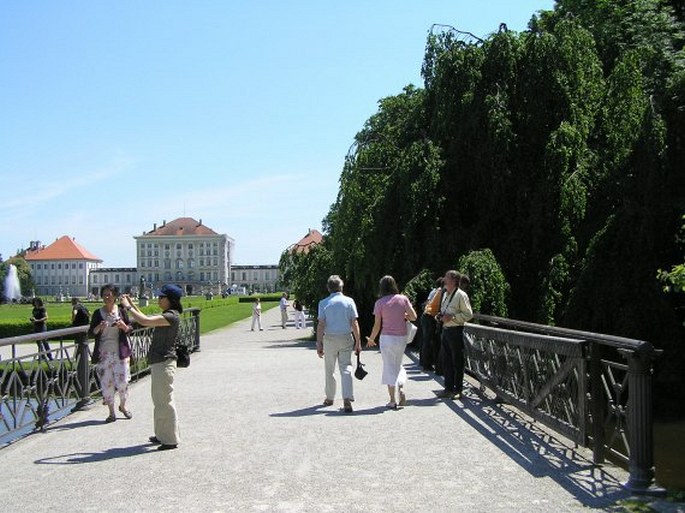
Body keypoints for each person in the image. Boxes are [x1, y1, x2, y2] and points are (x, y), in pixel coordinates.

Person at [121, 284, 183, 451]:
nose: (158, 299)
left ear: (170, 300)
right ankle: (162, 434)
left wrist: (127, 307)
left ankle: (170, 439)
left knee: (165, 401)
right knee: (159, 400)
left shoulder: (171, 316)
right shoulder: (168, 315)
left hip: (164, 363)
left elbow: (144, 321)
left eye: (161, 297)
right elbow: (143, 318)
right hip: (160, 362)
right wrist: (132, 304)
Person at [366, 275, 418, 409]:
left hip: (386, 338)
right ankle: (401, 388)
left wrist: (372, 339)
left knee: (389, 366)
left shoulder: (380, 303)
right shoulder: (403, 299)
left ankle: (392, 400)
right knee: (398, 363)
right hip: (401, 337)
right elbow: (413, 316)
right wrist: (405, 316)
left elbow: (377, 325)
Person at [316, 275, 361, 413]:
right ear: (341, 287)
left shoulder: (323, 303)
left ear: (328, 288)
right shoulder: (349, 301)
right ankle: (347, 398)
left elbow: (321, 324)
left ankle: (330, 397)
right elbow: (354, 323)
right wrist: (358, 342)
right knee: (346, 367)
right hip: (346, 337)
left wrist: (319, 343)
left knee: (329, 369)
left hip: (330, 338)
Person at [88, 284, 133, 422]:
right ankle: (111, 412)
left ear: (115, 296)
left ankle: (123, 406)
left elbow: (130, 329)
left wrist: (123, 326)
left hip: (120, 352)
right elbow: (91, 333)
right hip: (104, 354)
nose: (107, 297)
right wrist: (99, 327)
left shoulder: (121, 311)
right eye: (105, 294)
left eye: (109, 294)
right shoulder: (97, 313)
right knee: (106, 383)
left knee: (123, 381)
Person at [436, 271, 473, 400]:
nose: (444, 280)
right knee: (446, 361)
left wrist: (452, 318)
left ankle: (458, 389)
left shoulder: (461, 295)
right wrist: (441, 316)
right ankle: (448, 388)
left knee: (457, 361)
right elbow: (445, 312)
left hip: (456, 331)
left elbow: (468, 314)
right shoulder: (446, 294)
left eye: (446, 278)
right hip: (446, 331)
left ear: (454, 280)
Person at [419, 278, 443, 372]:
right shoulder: (441, 291)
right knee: (429, 341)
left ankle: (425, 363)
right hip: (430, 316)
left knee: (427, 341)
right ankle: (427, 365)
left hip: (427, 315)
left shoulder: (437, 291)